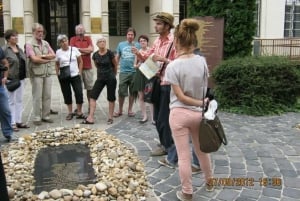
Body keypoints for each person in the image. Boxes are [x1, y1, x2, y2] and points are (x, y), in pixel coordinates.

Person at [164, 18, 214, 200]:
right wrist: (202, 103)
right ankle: (209, 182)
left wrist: (198, 102)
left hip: (179, 114)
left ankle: (187, 193)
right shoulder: (201, 61)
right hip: (198, 115)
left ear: (177, 40)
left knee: (184, 157)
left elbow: (181, 97)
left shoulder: (173, 66)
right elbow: (204, 88)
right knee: (202, 152)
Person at [82, 36, 117, 125]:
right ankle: (90, 117)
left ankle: (110, 117)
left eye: (103, 41)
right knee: (93, 96)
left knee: (111, 98)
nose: (102, 42)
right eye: (100, 41)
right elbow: (97, 65)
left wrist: (114, 75)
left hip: (110, 77)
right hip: (100, 78)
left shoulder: (110, 53)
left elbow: (115, 64)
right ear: (97, 44)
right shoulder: (95, 55)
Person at [25, 23, 56, 125]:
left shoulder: (46, 43)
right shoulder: (29, 44)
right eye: (38, 31)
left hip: (47, 72)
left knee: (47, 95)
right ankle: (37, 117)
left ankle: (46, 116)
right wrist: (46, 59)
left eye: (42, 31)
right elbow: (34, 59)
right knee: (37, 96)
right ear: (33, 32)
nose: (40, 33)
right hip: (36, 73)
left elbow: (53, 55)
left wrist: (41, 57)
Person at [2, 29, 30, 132]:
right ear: (8, 38)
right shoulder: (4, 49)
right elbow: (2, 64)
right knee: (11, 102)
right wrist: (4, 76)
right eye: (14, 36)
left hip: (21, 78)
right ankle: (12, 123)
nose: (16, 37)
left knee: (19, 100)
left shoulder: (19, 48)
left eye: (17, 36)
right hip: (11, 79)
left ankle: (18, 121)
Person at [55, 34, 86, 120]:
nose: (64, 43)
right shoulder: (58, 52)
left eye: (65, 40)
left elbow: (80, 61)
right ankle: (70, 112)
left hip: (75, 75)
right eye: (62, 41)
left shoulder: (74, 49)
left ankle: (79, 111)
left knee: (79, 93)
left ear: (67, 41)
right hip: (64, 76)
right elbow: (57, 64)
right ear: (59, 44)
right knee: (67, 93)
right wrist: (57, 74)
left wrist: (80, 72)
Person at [113, 27, 140, 118]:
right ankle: (120, 110)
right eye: (128, 34)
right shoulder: (121, 44)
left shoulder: (138, 45)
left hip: (134, 72)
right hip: (123, 72)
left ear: (134, 36)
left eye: (132, 35)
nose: (130, 36)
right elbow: (117, 57)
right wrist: (115, 67)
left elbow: (141, 57)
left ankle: (130, 110)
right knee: (121, 91)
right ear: (126, 35)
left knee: (133, 92)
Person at [70, 24, 94, 110]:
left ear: (84, 30)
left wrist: (79, 50)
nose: (80, 30)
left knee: (90, 88)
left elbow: (91, 50)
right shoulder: (72, 39)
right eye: (78, 29)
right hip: (76, 68)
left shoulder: (88, 38)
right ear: (76, 31)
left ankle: (90, 106)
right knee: (78, 89)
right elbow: (72, 50)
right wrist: (85, 51)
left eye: (82, 29)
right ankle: (78, 107)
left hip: (88, 67)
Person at [132, 35, 153, 124]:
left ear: (147, 42)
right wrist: (137, 65)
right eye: (141, 41)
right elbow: (134, 65)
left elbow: (153, 64)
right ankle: (144, 116)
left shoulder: (151, 51)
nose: (142, 42)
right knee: (141, 96)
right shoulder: (138, 51)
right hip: (140, 74)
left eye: (144, 40)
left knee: (150, 97)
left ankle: (153, 118)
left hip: (148, 74)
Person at [0, 48, 14, 142]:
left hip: (0, 86)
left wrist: (5, 77)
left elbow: (5, 63)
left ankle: (8, 133)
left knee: (6, 110)